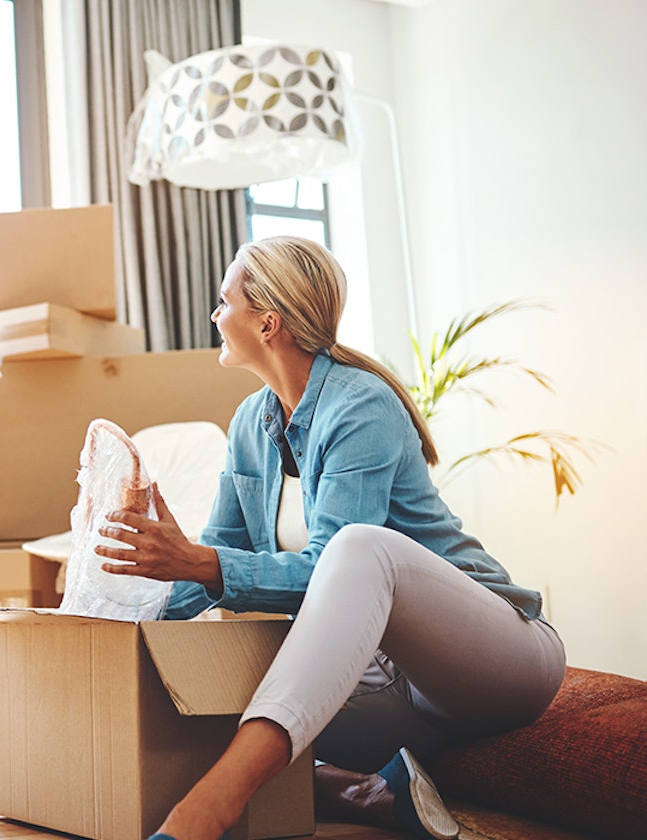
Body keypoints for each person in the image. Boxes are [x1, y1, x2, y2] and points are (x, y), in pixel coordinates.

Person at [93, 236, 565, 840]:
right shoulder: (249, 424)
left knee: (358, 548)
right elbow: (207, 566)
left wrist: (202, 564)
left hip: (498, 662)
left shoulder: (359, 406)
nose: (215, 315)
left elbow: (316, 566)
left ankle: (207, 811)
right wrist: (122, 611)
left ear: (268, 323)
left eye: (223, 301)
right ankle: (366, 791)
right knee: (210, 704)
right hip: (396, 692)